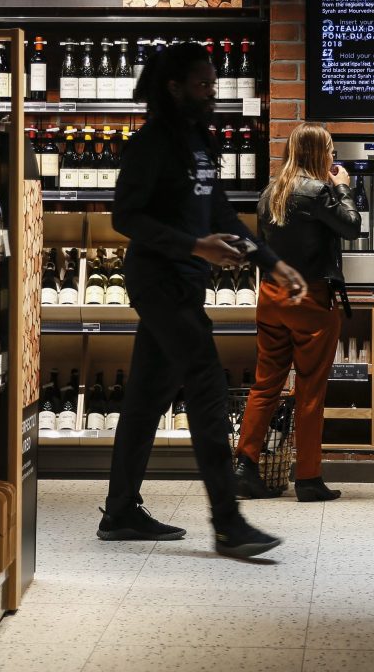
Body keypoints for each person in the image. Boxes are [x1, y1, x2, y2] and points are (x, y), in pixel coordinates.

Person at [99, 41, 309, 558]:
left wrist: (273, 262)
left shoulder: (198, 141)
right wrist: (193, 245)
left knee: (147, 397)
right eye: (202, 83)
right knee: (208, 387)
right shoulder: (151, 144)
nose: (212, 90)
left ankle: (120, 511)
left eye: (213, 82)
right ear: (174, 87)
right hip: (158, 281)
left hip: (187, 280)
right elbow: (125, 217)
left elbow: (221, 215)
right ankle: (228, 522)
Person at [234, 123, 360, 503]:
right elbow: (352, 227)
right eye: (331, 152)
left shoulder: (270, 192)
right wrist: (343, 187)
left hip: (272, 296)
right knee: (309, 390)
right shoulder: (321, 191)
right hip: (310, 301)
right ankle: (308, 478)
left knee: (265, 384)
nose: (334, 158)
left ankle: (244, 467)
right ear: (319, 154)